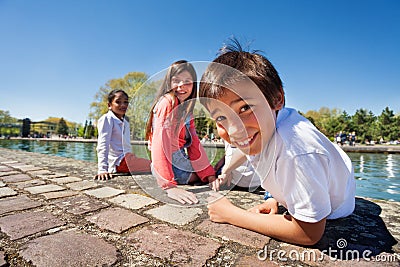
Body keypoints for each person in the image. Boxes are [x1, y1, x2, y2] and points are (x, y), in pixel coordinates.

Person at [199, 40, 356, 246]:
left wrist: (231, 214)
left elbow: (309, 233)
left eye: (245, 108)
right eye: (221, 117)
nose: (234, 129)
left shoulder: (297, 150)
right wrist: (275, 198)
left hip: (339, 207)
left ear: (277, 99)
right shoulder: (265, 127)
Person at [145, 60, 216, 204]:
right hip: (170, 165)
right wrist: (169, 186)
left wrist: (209, 174)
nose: (181, 86)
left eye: (187, 82)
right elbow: (159, 142)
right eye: (176, 81)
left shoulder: (186, 110)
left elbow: (194, 144)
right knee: (223, 174)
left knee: (215, 174)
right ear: (168, 82)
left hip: (178, 160)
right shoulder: (167, 102)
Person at [95, 89, 151, 180]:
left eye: (126, 102)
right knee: (155, 166)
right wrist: (102, 169)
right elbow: (103, 144)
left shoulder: (125, 121)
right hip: (118, 162)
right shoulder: (107, 119)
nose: (123, 105)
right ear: (109, 105)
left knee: (155, 164)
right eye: (118, 102)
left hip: (127, 158)